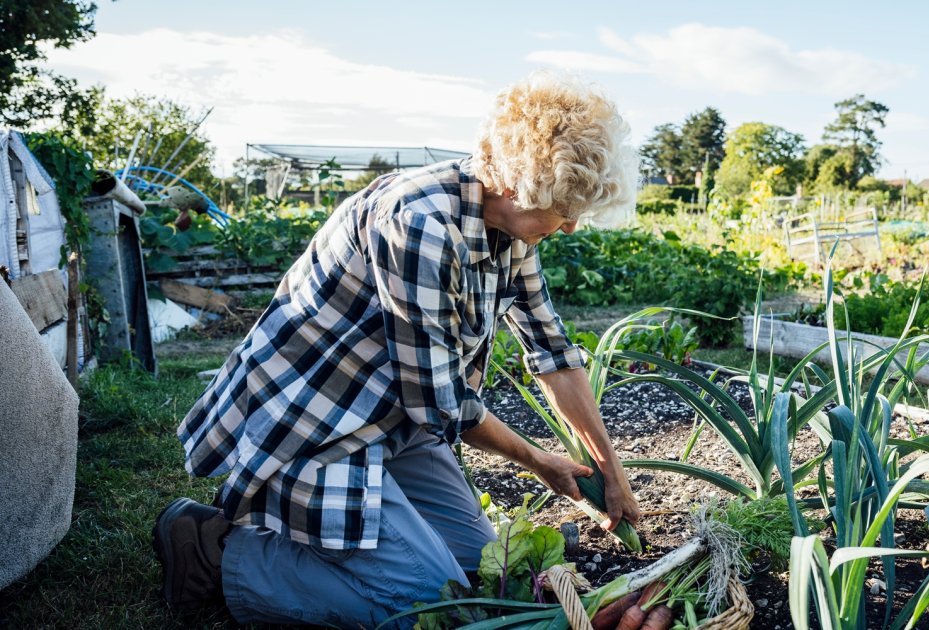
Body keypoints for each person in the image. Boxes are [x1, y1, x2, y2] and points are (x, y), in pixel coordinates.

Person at [152, 72, 641, 627]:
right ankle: (216, 555)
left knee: (477, 572)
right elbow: (440, 403)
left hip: (393, 425)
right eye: (563, 209)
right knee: (433, 605)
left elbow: (552, 351)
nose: (572, 225)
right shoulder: (420, 224)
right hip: (317, 427)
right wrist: (538, 461)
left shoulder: (514, 232)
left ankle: (324, 543)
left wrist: (610, 468)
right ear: (511, 185)